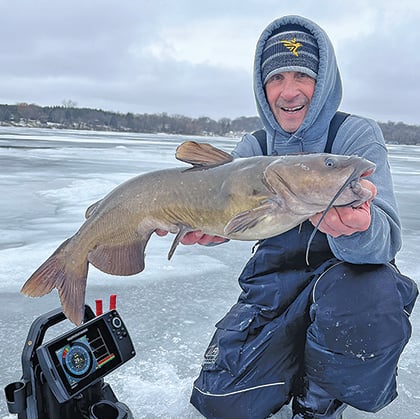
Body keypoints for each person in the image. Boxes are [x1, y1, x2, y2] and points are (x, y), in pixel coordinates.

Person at [158, 15, 418, 418]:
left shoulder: (353, 138)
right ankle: (289, 364)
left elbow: (386, 238)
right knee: (222, 403)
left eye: (302, 75)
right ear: (263, 89)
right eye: (276, 78)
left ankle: (319, 401)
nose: (289, 91)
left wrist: (357, 232)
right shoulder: (253, 147)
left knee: (372, 295)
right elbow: (228, 213)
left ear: (325, 80)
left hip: (344, 289)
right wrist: (211, 226)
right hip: (273, 290)